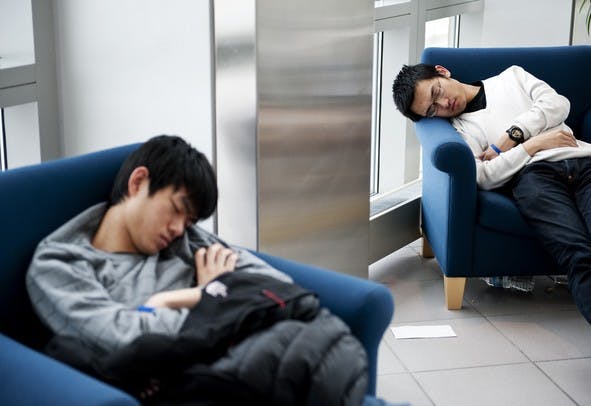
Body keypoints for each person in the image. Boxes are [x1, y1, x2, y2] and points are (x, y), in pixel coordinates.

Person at [26, 134, 291, 355]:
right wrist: (212, 299)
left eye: (189, 222)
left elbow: (280, 290)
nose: (178, 229)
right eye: (176, 208)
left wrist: (187, 299)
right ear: (138, 183)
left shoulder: (185, 241)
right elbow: (126, 340)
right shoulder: (60, 264)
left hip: (276, 350)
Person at [392, 63, 591, 323]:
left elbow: (557, 104)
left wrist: (512, 137)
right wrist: (533, 145)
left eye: (437, 92)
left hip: (583, 158)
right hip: (534, 178)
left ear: (442, 72)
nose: (444, 104)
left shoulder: (512, 77)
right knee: (579, 255)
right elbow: (484, 176)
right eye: (433, 109)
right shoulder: (461, 131)